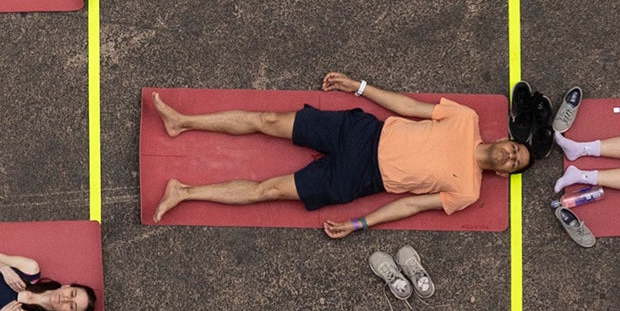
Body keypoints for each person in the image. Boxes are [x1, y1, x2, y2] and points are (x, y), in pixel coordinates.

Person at [148, 74, 532, 239]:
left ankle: (183, 192)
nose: (511, 156)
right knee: (267, 121)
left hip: (361, 179)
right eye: (516, 149)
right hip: (363, 133)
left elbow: (412, 206)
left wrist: (362, 223)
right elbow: (409, 106)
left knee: (269, 191)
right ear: (505, 139)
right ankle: (181, 121)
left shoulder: (468, 191)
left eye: (515, 163)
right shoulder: (467, 118)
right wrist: (360, 87)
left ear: (503, 174)